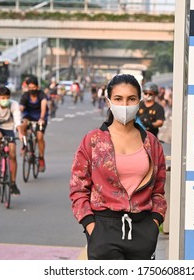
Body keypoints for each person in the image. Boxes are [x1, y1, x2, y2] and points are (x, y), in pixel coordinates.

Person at [69, 74, 167, 260]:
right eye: (118, 99)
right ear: (108, 102)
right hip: (103, 230)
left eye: (131, 99)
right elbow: (77, 187)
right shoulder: (93, 140)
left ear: (139, 101)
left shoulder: (152, 143)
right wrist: (91, 227)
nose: (124, 105)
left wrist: (154, 224)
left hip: (143, 232)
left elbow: (159, 190)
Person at [0, 86, 23, 196]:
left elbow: (17, 120)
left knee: (12, 153)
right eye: (2, 97)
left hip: (9, 128)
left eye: (7, 97)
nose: (5, 100)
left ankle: (13, 183)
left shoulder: (14, 104)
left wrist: (20, 133)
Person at [19, 77, 48, 172]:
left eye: (34, 87)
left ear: (37, 87)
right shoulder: (25, 95)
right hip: (28, 116)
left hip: (40, 117)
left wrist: (42, 118)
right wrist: (19, 111)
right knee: (22, 125)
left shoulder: (41, 95)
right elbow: (21, 107)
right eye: (30, 87)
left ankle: (41, 158)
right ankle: (24, 145)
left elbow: (43, 106)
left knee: (39, 137)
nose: (32, 89)